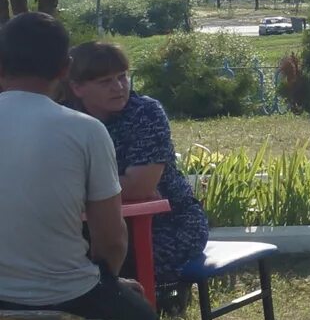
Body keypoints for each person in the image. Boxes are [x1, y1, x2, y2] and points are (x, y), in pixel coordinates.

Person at [0, 13, 190, 320]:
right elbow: (110, 239)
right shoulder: (83, 131)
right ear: (65, 71)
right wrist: (107, 279)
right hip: (63, 291)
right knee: (137, 316)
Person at [58, 41, 210, 294]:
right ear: (77, 87)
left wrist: (77, 189)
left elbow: (141, 187)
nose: (118, 87)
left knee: (119, 261)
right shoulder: (64, 117)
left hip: (166, 222)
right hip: (90, 223)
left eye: (122, 77)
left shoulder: (145, 113)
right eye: (105, 82)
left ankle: (147, 312)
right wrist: (115, 186)